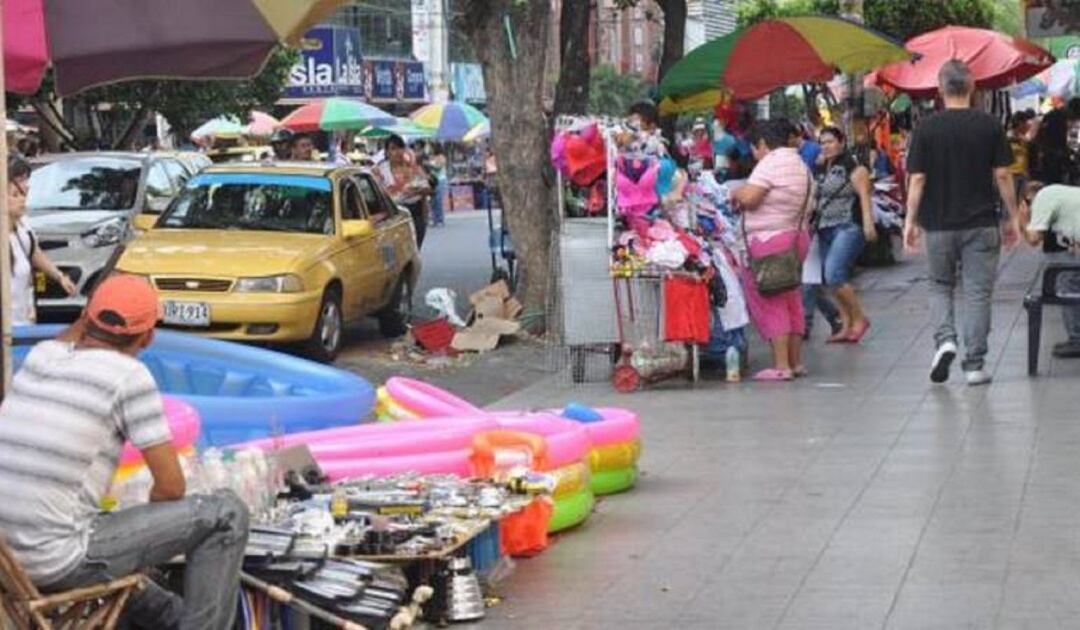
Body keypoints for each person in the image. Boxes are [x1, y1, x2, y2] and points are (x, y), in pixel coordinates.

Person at [0, 274, 249, 629]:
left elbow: (76, 332)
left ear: (87, 318)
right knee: (226, 512)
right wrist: (156, 532)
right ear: (148, 337)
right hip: (56, 560)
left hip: (9, 560)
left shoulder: (43, 356)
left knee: (148, 579)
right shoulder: (130, 376)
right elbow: (170, 489)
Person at [903, 60, 1020, 386]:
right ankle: (974, 365)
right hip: (981, 223)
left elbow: (918, 179)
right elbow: (1002, 174)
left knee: (940, 286)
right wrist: (1013, 217)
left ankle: (945, 341)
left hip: (938, 225)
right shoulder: (989, 125)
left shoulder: (926, 128)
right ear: (972, 88)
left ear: (940, 90)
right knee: (978, 293)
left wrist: (909, 221)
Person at [733, 119, 813, 381]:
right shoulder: (799, 164)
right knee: (791, 299)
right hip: (795, 236)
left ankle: (781, 367)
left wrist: (736, 193)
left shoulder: (771, 163)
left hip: (771, 239)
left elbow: (750, 198)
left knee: (771, 300)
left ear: (763, 144)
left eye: (754, 148)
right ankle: (795, 362)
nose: (754, 155)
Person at [812, 126, 876, 343]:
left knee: (834, 274)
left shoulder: (853, 166)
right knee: (830, 280)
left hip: (847, 225)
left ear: (841, 142)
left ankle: (859, 318)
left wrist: (868, 223)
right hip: (824, 227)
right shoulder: (821, 168)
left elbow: (865, 196)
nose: (826, 146)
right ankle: (846, 324)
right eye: (822, 142)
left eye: (830, 141)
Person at [7, 156, 76, 325]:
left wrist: (59, 276)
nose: (26, 188)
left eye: (26, 180)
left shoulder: (23, 223)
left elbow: (33, 251)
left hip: (23, 317)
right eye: (20, 180)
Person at [1021, 181, 1080, 358]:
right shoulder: (1062, 196)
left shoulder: (1043, 199)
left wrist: (1023, 220)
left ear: (1028, 198)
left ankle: (1077, 339)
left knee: (1067, 286)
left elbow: (1033, 239)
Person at [376, 134, 432, 248]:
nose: (398, 152)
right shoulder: (380, 170)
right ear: (386, 152)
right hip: (393, 215)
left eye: (400, 148)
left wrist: (415, 192)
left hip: (415, 213)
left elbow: (428, 188)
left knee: (415, 248)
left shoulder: (413, 167)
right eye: (393, 148)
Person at [428, 145, 448, 227]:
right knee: (433, 201)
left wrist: (431, 165)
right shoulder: (432, 157)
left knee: (438, 200)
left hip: (440, 180)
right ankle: (434, 219)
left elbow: (438, 167)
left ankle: (440, 219)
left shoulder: (441, 157)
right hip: (432, 180)